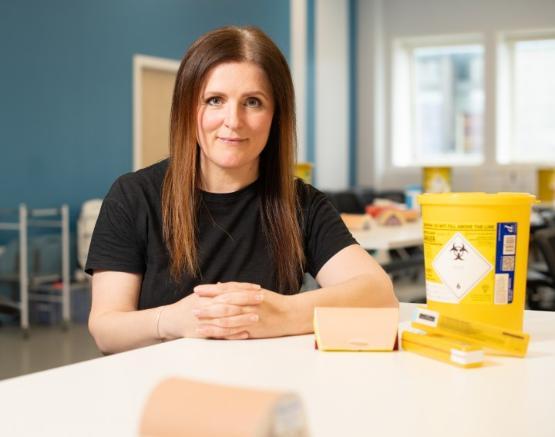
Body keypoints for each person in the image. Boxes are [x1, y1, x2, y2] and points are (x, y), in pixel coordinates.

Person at [86, 26, 397, 354]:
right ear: (188, 109)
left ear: (275, 116)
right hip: (158, 394)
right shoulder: (134, 196)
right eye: (214, 100)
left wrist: (280, 313)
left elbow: (379, 295)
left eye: (253, 102)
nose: (233, 120)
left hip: (267, 394)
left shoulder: (301, 205)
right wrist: (175, 320)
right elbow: (106, 327)